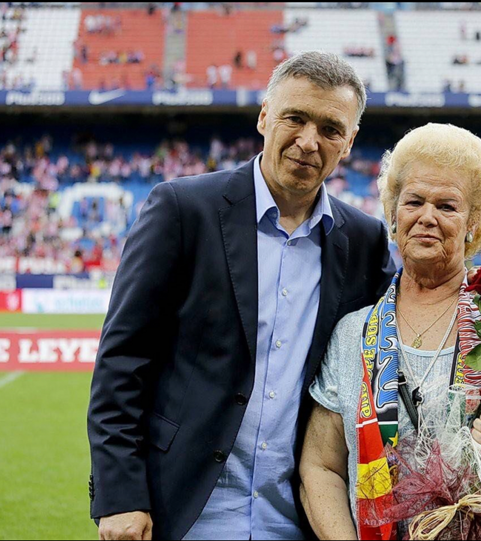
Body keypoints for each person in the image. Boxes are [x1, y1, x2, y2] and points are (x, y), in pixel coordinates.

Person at [87, 52, 396, 540]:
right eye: (295, 118)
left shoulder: (364, 242)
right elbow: (121, 363)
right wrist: (121, 495)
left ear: (350, 142)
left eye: (331, 129)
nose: (309, 141)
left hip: (300, 518)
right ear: (264, 116)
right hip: (181, 510)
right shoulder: (181, 209)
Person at [300, 123, 481, 539]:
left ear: (475, 222)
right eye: (414, 201)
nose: (427, 217)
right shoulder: (354, 333)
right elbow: (321, 466)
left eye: (448, 206)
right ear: (392, 213)